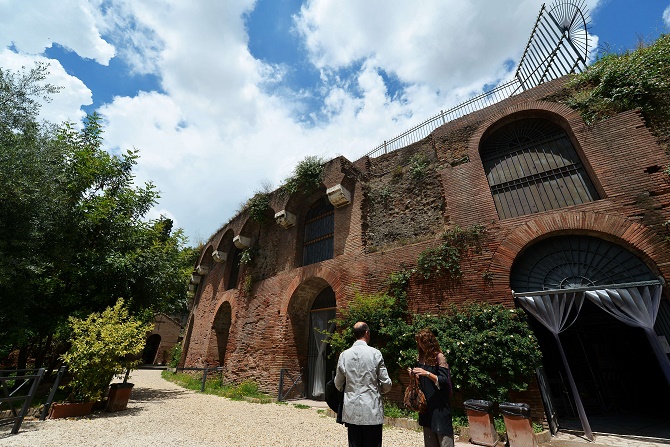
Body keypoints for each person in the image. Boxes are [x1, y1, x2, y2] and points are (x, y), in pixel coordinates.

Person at [335, 321, 393, 447]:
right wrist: (378, 390)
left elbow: (338, 383)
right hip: (371, 409)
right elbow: (386, 383)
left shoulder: (344, 355)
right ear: (367, 332)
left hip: (351, 410)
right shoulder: (375, 353)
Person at [410, 328, 454, 447]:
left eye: (422, 342)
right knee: (430, 442)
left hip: (440, 406)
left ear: (428, 342)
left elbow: (444, 381)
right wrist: (414, 375)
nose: (420, 345)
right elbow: (421, 380)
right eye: (419, 342)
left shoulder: (439, 357)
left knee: (445, 441)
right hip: (426, 406)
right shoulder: (420, 357)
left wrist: (427, 374)